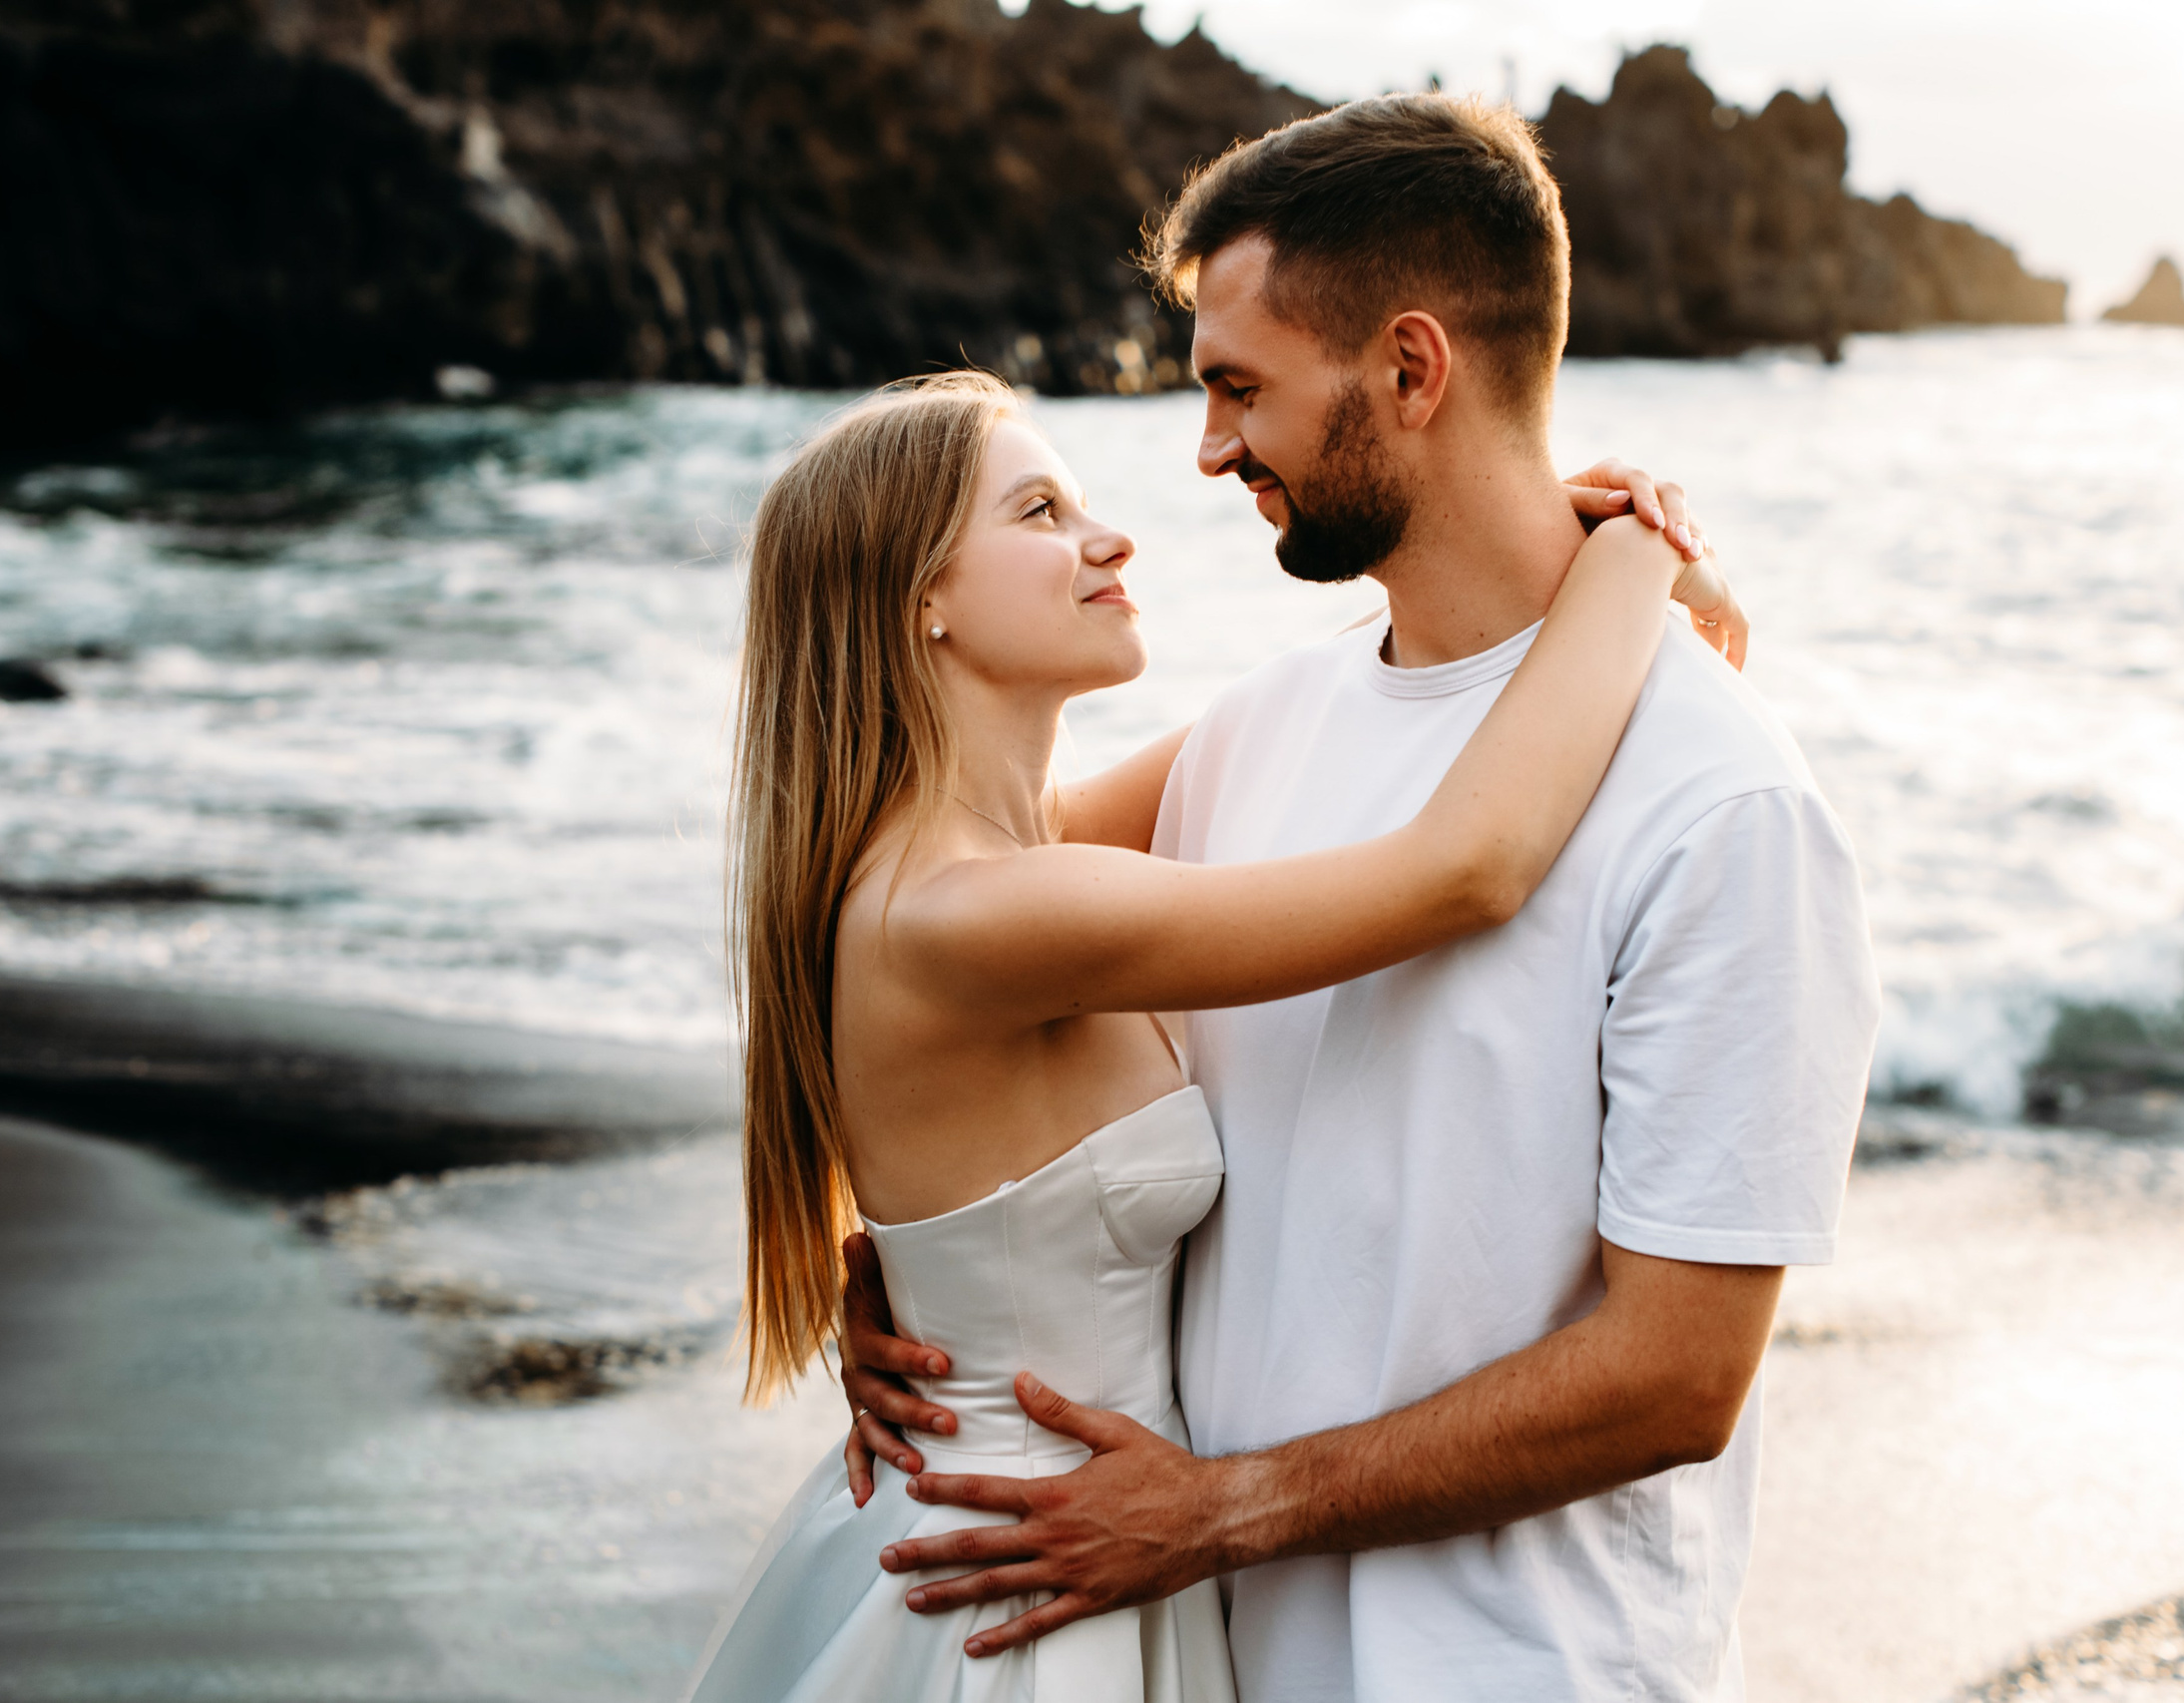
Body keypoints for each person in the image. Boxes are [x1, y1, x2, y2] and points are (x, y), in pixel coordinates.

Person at [842, 96, 1882, 1703]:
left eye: (1238, 388)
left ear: (1409, 371)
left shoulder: (1721, 804)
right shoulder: (1258, 732)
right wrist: (933, 1271)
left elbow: (1676, 1378)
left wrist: (1221, 1512)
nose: (1207, 450)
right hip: (1207, 1654)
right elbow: (905, 943)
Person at [682, 364, 1735, 1702]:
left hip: (1077, 1533)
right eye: (1041, 513)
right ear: (918, 599)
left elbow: (1363, 708)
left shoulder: (1020, 854)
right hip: (1035, 1579)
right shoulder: (982, 911)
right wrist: (1640, 555)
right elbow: (1467, 866)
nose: (1110, 538)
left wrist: (1536, 546)